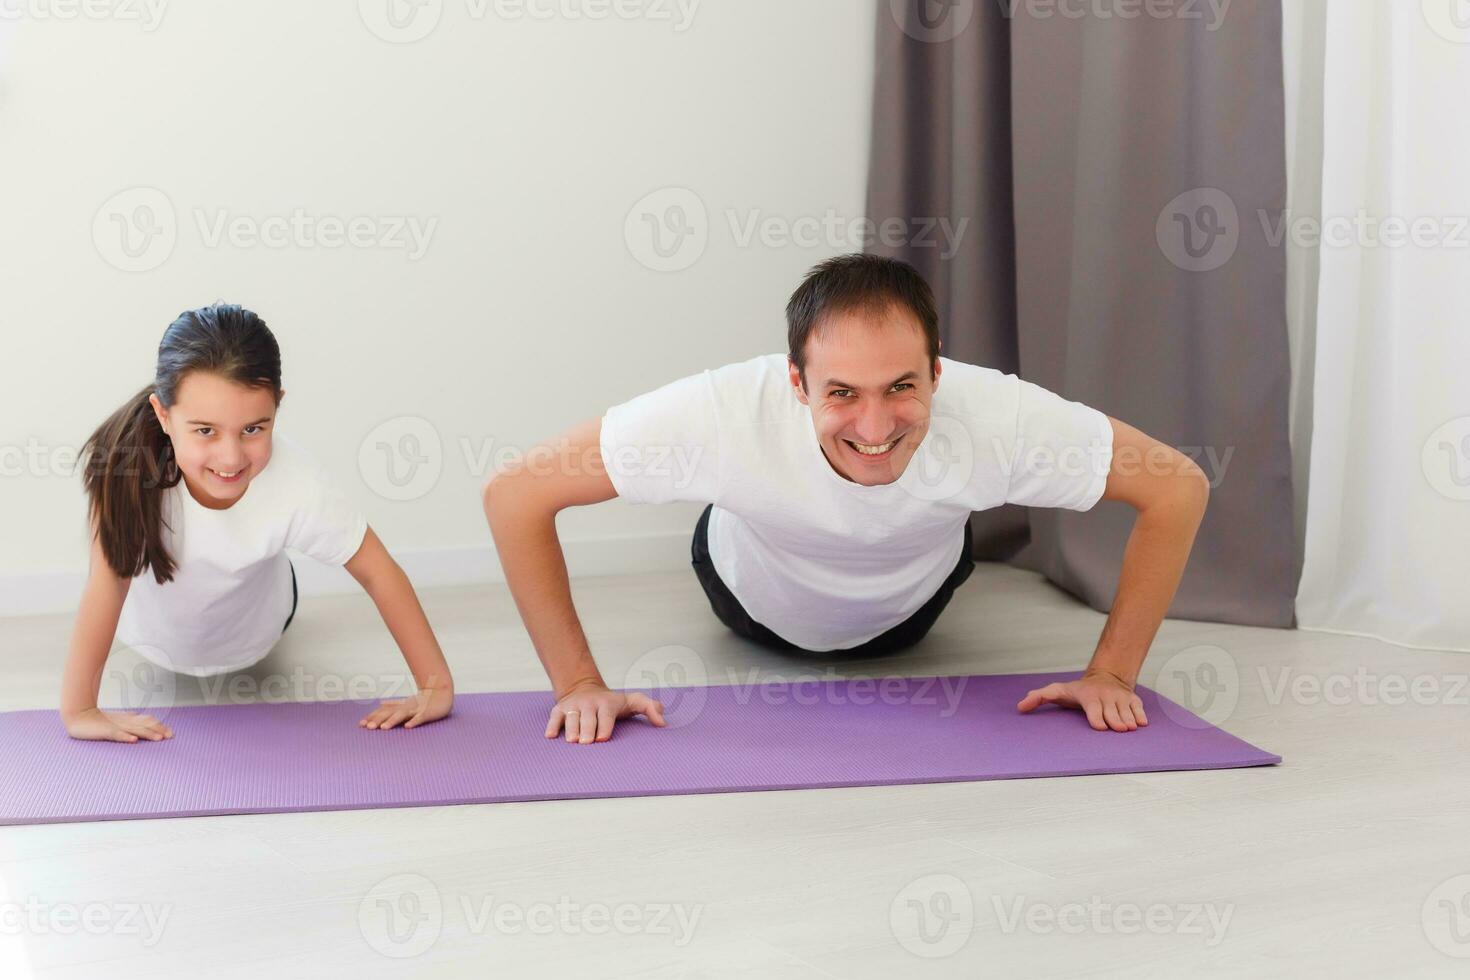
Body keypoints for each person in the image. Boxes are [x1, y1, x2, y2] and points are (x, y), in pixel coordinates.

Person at [483, 254, 1209, 745]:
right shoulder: (722, 410)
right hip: (749, 598)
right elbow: (516, 495)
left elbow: (1176, 487)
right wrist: (577, 684)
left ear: (937, 371)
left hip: (908, 615)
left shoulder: (999, 416)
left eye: (902, 387)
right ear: (795, 384)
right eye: (841, 393)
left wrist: (1111, 673)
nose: (873, 426)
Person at [60, 303, 455, 742]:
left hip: (261, 629)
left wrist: (435, 686)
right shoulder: (124, 473)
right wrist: (81, 709)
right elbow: (107, 582)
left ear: (277, 408)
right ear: (164, 414)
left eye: (253, 429)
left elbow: (380, 572)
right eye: (205, 431)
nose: (230, 458)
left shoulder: (298, 481)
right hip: (152, 637)